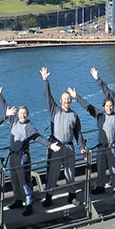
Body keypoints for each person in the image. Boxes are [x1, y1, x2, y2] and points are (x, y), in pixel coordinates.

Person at [39, 67, 85, 204]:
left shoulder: (74, 115)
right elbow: (48, 96)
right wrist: (45, 80)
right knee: (53, 173)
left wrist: (82, 147)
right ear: (60, 101)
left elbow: (78, 133)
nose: (67, 101)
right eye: (64, 99)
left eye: (69, 99)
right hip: (56, 147)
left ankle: (71, 195)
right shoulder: (54, 111)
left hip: (69, 147)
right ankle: (48, 197)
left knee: (70, 173)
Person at [0, 83, 40, 215]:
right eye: (20, 113)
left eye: (24, 114)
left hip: (22, 156)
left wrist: (51, 145)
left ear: (27, 115)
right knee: (14, 179)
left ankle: (29, 204)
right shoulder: (14, 121)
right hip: (12, 155)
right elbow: (6, 110)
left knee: (24, 180)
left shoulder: (29, 126)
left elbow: (38, 137)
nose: (22, 115)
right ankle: (18, 200)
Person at [78, 73, 115, 195]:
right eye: (107, 106)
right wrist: (77, 97)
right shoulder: (100, 115)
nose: (109, 108)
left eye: (111, 106)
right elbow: (87, 106)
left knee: (113, 168)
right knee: (100, 168)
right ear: (104, 106)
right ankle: (100, 186)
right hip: (101, 147)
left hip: (111, 147)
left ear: (113, 107)